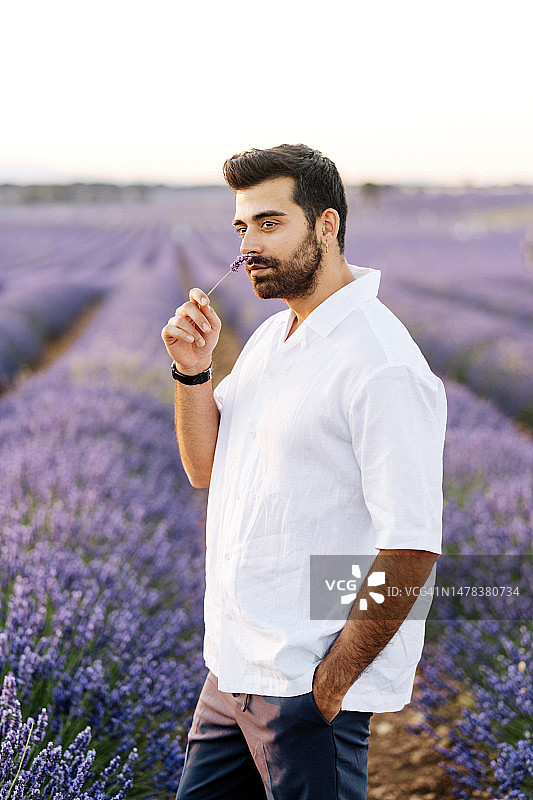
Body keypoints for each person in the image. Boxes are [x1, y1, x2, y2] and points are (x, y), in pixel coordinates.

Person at [161, 144, 447, 800]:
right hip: (231, 673)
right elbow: (205, 468)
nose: (247, 247)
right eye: (240, 228)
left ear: (325, 225)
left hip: (301, 690)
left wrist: (330, 686)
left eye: (268, 224)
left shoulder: (380, 365)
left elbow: (411, 546)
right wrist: (192, 369)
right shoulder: (272, 337)